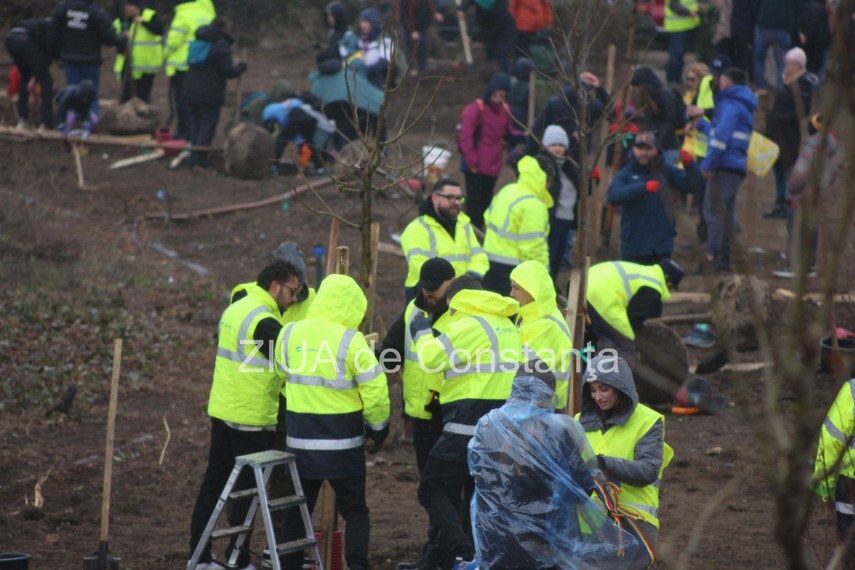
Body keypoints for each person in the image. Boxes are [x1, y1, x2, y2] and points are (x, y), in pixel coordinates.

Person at [188, 259, 303, 570]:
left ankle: (199, 557)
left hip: (223, 412)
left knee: (213, 485)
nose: (295, 298)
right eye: (292, 291)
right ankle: (237, 560)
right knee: (246, 493)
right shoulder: (263, 321)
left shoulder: (237, 307)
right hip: (252, 419)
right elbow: (291, 361)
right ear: (274, 286)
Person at [469, 362, 639, 569]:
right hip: (544, 542)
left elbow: (478, 474)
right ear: (547, 394)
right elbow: (582, 484)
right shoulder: (559, 429)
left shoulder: (486, 424)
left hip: (494, 539)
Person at [275, 274, 391, 570]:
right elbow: (375, 390)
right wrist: (379, 429)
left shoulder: (289, 333)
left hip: (301, 444)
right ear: (353, 307)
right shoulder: (351, 341)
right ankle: (358, 565)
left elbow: (281, 375)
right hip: (344, 447)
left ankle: (288, 565)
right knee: (356, 511)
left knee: (297, 512)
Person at [410, 278, 523, 569]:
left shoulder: (471, 325)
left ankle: (464, 553)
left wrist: (421, 332)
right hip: (500, 429)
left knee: (431, 489)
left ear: (459, 300)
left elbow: (432, 359)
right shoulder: (506, 325)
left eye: (452, 308)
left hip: (466, 426)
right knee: (476, 496)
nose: (451, 314)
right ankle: (467, 556)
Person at [577, 354, 674, 569]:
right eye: (592, 390)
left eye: (604, 389)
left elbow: (648, 471)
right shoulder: (578, 423)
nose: (598, 396)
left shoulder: (648, 421)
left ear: (620, 387)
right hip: (589, 524)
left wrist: (602, 463)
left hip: (634, 524)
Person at [688, 67, 756, 272]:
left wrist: (708, 164)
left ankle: (713, 257)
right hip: (734, 165)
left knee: (712, 210)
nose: (717, 84)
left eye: (720, 81)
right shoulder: (741, 105)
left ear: (727, 82)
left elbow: (720, 139)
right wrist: (701, 125)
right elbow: (721, 133)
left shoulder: (730, 106)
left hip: (724, 165)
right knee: (725, 212)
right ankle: (723, 258)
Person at [607, 131, 690, 265]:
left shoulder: (667, 171)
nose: (644, 153)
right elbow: (613, 196)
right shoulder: (625, 173)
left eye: (648, 148)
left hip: (660, 246)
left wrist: (690, 166)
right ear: (633, 149)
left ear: (656, 150)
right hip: (633, 246)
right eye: (640, 148)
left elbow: (692, 186)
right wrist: (643, 188)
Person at [399, 178, 489, 302]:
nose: (456, 202)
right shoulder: (417, 228)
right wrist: (455, 286)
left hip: (462, 293)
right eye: (450, 197)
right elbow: (422, 267)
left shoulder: (464, 225)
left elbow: (479, 257)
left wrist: (468, 280)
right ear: (435, 198)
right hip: (425, 294)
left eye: (459, 198)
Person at [772, 114, 838, 278]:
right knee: (811, 229)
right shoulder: (831, 147)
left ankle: (795, 266)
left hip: (801, 195)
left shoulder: (812, 145)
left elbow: (801, 172)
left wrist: (792, 189)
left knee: (796, 228)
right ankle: (808, 265)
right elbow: (833, 175)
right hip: (817, 194)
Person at [585, 259, 684, 366]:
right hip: (600, 299)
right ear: (669, 283)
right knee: (626, 346)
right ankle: (614, 375)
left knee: (590, 338)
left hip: (585, 286)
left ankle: (581, 370)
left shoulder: (645, 273)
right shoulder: (653, 288)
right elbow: (633, 318)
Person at [481, 155, 553, 295]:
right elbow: (533, 248)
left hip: (488, 263)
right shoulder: (534, 205)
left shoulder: (507, 190)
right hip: (514, 271)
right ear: (543, 179)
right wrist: (544, 275)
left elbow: (487, 218)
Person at [182, 18, 247, 170]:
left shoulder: (197, 43)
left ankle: (193, 158)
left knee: (195, 124)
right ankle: (199, 161)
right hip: (209, 93)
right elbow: (227, 71)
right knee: (207, 126)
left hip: (190, 90)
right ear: (223, 29)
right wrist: (241, 68)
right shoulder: (221, 46)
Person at [459, 72, 520, 231]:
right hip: (475, 166)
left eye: (503, 96)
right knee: (474, 204)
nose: (498, 99)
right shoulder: (476, 109)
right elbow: (466, 137)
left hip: (492, 166)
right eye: (496, 95)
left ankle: (479, 232)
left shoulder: (505, 111)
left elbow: (508, 133)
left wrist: (524, 136)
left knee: (486, 202)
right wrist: (472, 162)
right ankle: (471, 233)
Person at [509, 261, 573, 409]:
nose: (511, 294)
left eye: (516, 288)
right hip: (533, 400)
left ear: (532, 290)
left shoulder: (546, 324)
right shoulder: (530, 314)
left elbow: (532, 374)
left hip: (543, 405)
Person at [763, 47, 817, 220]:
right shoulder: (785, 80)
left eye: (792, 63)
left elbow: (803, 110)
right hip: (776, 132)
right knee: (778, 169)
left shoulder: (804, 83)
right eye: (787, 62)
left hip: (789, 133)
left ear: (800, 65)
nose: (787, 66)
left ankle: (790, 204)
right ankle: (780, 203)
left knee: (788, 170)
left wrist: (781, 117)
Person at [51, 0, 126, 117]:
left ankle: (72, 122)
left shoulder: (63, 8)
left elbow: (54, 31)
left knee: (73, 92)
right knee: (91, 95)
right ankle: (92, 122)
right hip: (90, 60)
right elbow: (108, 36)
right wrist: (122, 39)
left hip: (70, 59)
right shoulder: (95, 11)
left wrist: (56, 53)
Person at [164, 0, 214, 141]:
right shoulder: (207, 13)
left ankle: (184, 132)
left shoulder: (183, 14)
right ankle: (195, 133)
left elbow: (174, 41)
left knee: (182, 101)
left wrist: (165, 53)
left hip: (181, 65)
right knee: (195, 102)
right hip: (201, 65)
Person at [539, 125, 581, 279]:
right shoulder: (542, 166)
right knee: (548, 258)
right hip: (551, 220)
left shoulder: (569, 167)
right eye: (553, 145)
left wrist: (591, 178)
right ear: (545, 146)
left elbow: (583, 191)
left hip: (567, 220)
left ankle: (553, 284)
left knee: (558, 259)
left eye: (561, 145)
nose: (558, 149)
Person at [5, 18, 54, 129]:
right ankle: (47, 123)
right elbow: (46, 55)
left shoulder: (36, 24)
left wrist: (34, 76)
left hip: (10, 40)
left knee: (24, 77)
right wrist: (37, 76)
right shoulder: (51, 30)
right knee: (47, 82)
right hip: (24, 41)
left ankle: (22, 119)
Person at [629, 65, 684, 165]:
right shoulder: (648, 98)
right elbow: (652, 120)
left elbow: (670, 121)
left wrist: (658, 143)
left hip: (668, 147)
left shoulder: (665, 95)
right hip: (654, 146)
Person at [112, 0, 164, 104]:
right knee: (126, 96)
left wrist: (143, 23)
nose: (127, 9)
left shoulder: (149, 15)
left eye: (130, 6)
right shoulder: (122, 21)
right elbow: (115, 40)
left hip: (146, 65)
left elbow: (159, 30)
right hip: (128, 65)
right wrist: (123, 38)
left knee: (143, 97)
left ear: (137, 7)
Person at [753, 0, 801, 92]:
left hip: (764, 25)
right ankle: (780, 90)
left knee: (759, 59)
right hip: (783, 29)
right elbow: (799, 8)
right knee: (781, 63)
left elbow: (756, 5)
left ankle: (760, 88)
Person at [458, 0, 516, 73]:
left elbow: (488, 31)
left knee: (502, 56)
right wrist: (462, 8)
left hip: (503, 35)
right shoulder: (483, 9)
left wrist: (472, 37)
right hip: (491, 35)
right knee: (490, 54)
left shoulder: (498, 12)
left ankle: (504, 74)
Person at [395, 0, 442, 77]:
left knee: (424, 48)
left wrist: (435, 13)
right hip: (407, 28)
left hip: (423, 27)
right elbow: (403, 15)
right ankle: (410, 71)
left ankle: (422, 70)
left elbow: (430, 7)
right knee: (408, 50)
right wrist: (412, 30)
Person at [664, 0, 701, 85]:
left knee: (678, 54)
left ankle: (675, 79)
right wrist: (688, 12)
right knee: (676, 54)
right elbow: (673, 5)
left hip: (686, 25)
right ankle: (673, 80)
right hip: (678, 27)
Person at [357, 8, 393, 88]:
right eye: (361, 22)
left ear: (373, 23)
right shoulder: (362, 39)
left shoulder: (384, 39)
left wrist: (366, 70)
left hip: (379, 80)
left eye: (365, 22)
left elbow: (385, 63)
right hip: (362, 78)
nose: (362, 25)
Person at [316, 1, 358, 65]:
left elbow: (348, 60)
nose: (329, 19)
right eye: (328, 16)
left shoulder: (349, 35)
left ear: (338, 16)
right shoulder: (333, 33)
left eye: (331, 16)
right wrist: (322, 54)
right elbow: (332, 54)